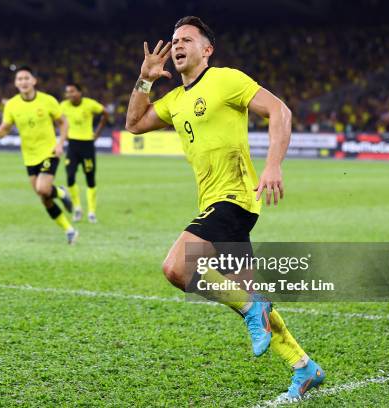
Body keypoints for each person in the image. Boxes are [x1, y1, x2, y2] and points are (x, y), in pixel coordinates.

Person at [125, 16, 325, 402]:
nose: (177, 45)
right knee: (248, 296)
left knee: (176, 267)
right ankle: (304, 367)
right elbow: (133, 123)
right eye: (174, 40)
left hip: (233, 198)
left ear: (207, 49)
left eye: (187, 39)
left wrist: (273, 164)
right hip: (215, 203)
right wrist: (145, 78)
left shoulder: (226, 79)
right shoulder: (174, 101)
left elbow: (279, 110)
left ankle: (256, 312)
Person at [0, 66, 78, 244]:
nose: (23, 82)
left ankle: (60, 192)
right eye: (19, 79)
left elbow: (63, 123)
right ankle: (70, 230)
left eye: (26, 78)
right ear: (15, 83)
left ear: (34, 81)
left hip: (49, 152)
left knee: (43, 189)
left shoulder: (47, 101)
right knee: (44, 198)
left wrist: (60, 143)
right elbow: (4, 129)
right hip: (29, 156)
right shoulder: (12, 105)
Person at [61, 83, 109, 223]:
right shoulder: (63, 106)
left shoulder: (90, 104)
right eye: (67, 92)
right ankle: (77, 208)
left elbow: (105, 113)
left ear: (80, 92)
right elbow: (57, 119)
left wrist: (97, 133)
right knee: (70, 176)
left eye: (72, 91)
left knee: (90, 179)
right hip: (72, 145)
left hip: (87, 145)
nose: (69, 94)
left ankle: (91, 212)